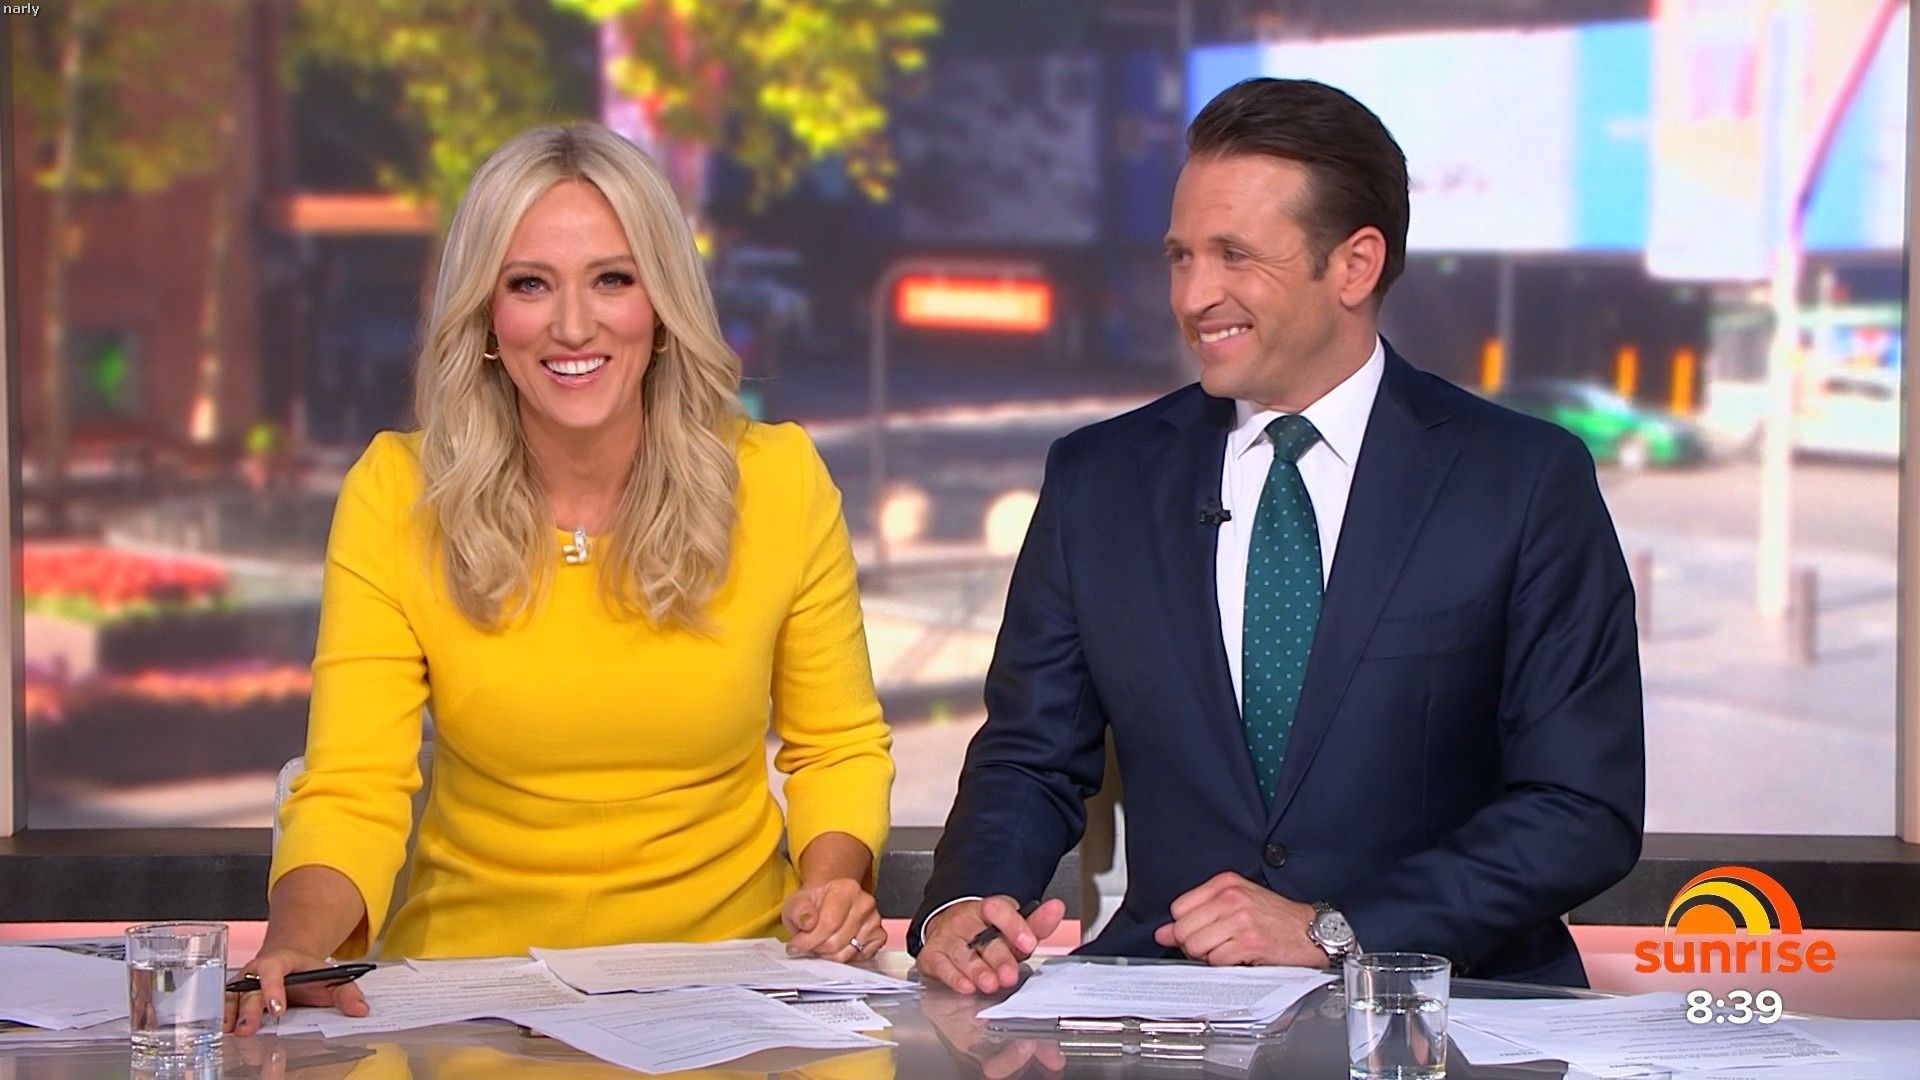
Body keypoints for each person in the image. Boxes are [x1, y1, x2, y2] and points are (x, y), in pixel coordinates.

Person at [911, 78, 1644, 991]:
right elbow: (1030, 754)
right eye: (1180, 256)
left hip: (1447, 1009)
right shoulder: (1098, 479)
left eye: (1234, 256)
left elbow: (1580, 807)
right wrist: (966, 902)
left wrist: (1339, 930)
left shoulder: (1523, 480)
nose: (1193, 296)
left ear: (1355, 266)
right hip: (1174, 1004)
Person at [228, 123, 893, 1033]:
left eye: (612, 279)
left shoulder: (777, 480)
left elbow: (837, 747)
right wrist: (301, 943)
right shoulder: (397, 493)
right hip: (472, 998)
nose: (573, 326)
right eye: (529, 284)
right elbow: (352, 783)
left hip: (729, 990)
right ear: (485, 315)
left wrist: (832, 885)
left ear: (662, 302)